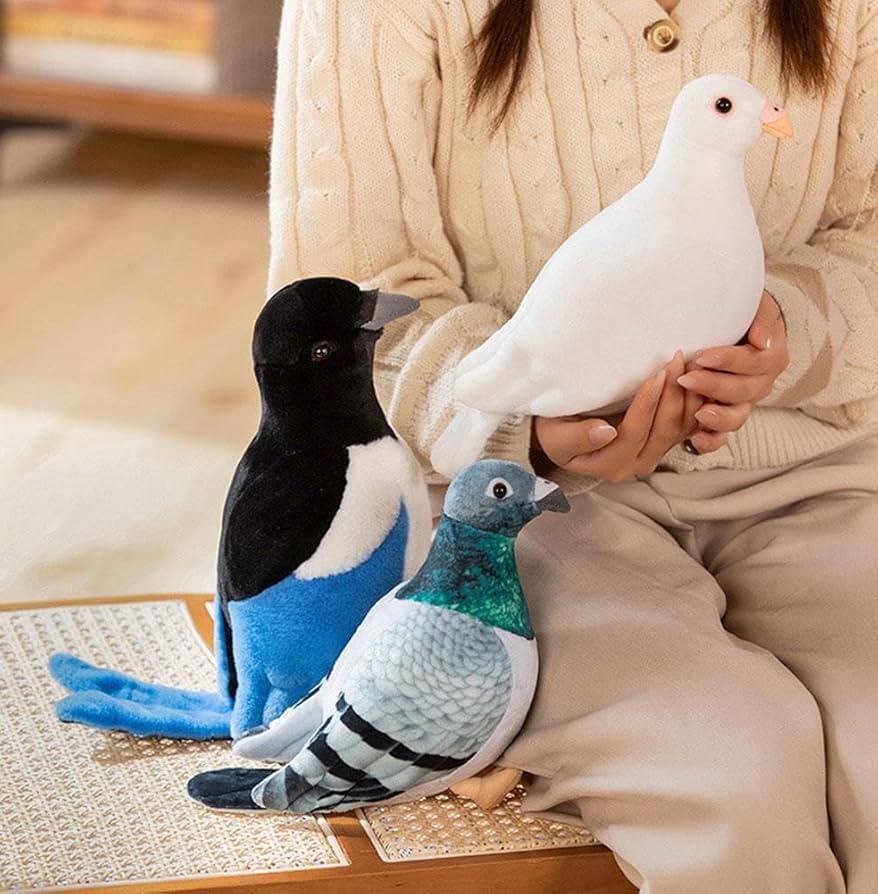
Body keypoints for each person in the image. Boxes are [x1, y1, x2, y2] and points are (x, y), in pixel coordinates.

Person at [266, 1, 878, 891]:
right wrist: (529, 425)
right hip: (507, 528)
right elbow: (345, 305)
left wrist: (781, 322)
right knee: (736, 779)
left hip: (817, 481)